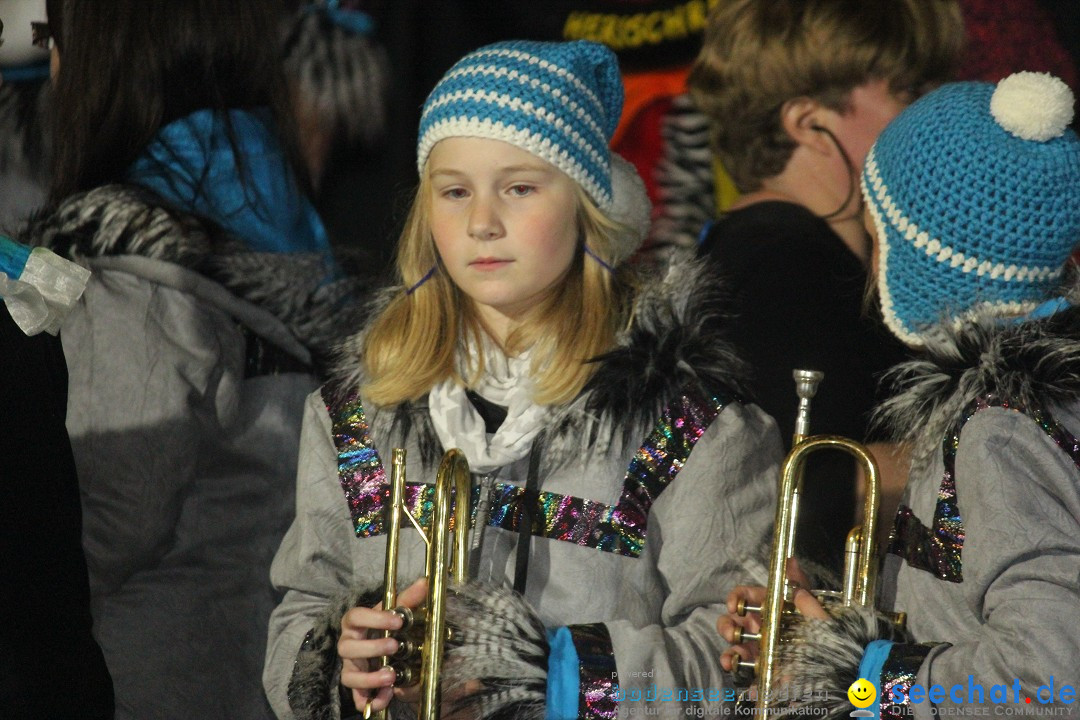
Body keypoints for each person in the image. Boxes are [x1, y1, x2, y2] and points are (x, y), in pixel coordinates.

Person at [264, 39, 782, 719]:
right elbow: (300, 606)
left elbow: (738, 664)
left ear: (591, 209)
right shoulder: (356, 413)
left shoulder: (690, 426)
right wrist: (339, 661)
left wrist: (548, 675)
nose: (481, 222)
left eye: (519, 188)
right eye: (454, 192)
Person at [18, 0, 358, 717]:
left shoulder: (123, 269)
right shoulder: (285, 219)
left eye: (55, 39)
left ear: (104, 60)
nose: (49, 68)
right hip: (246, 673)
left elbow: (107, 515)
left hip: (146, 684)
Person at [719, 72, 1080, 716]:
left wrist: (858, 677)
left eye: (877, 232)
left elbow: (1048, 676)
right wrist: (820, 622)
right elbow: (960, 612)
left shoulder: (997, 432)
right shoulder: (1013, 414)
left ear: (921, 262)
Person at [685, 0, 963, 569]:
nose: (934, 111)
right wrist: (996, 457)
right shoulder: (784, 264)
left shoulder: (777, 253)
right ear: (807, 123)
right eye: (909, 91)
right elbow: (799, 489)